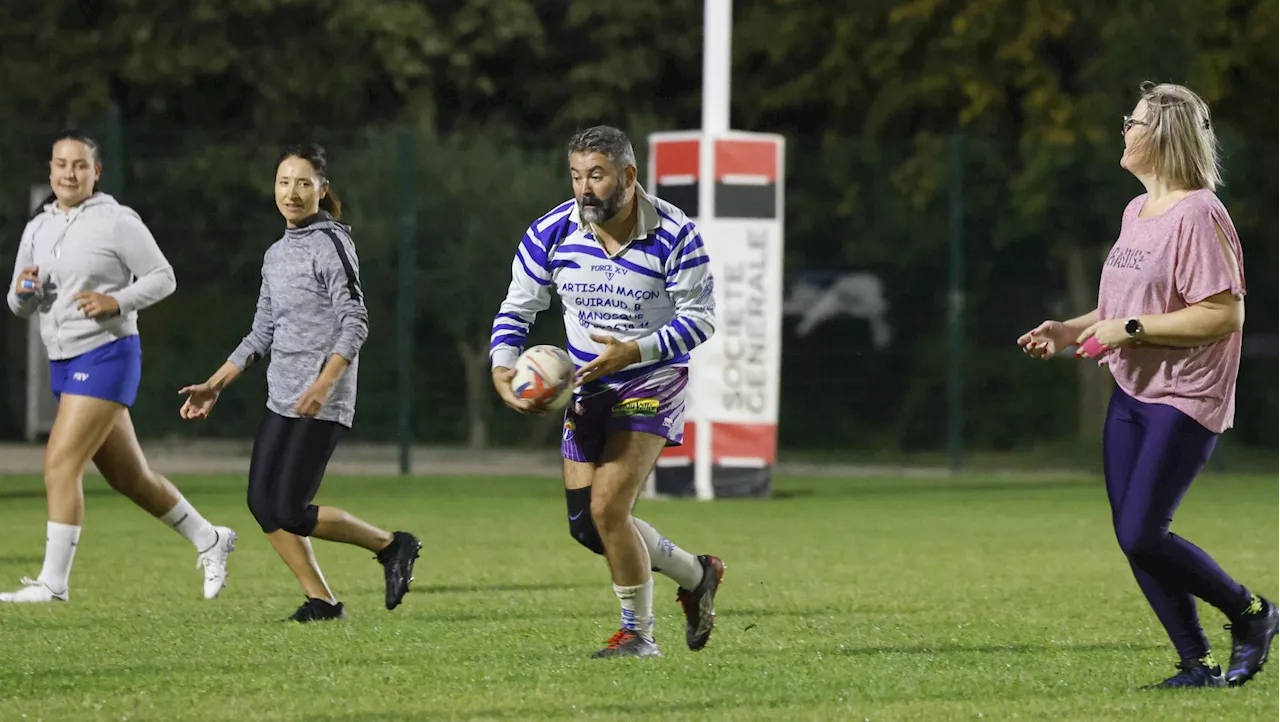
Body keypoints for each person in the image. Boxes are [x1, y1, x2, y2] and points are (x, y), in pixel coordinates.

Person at [1017, 82, 1278, 689]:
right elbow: (1121, 306)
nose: (1124, 131)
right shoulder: (1136, 212)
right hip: (1132, 394)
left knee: (1141, 531)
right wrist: (1068, 329)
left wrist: (1128, 330)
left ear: (1160, 134)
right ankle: (1197, 665)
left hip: (1185, 395)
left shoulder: (1201, 212)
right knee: (1136, 538)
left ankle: (1252, 613)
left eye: (1131, 121)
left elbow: (1222, 314)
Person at [490, 125, 725, 658]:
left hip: (652, 378)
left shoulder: (676, 233)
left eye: (596, 175)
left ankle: (638, 635)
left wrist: (634, 351)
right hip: (587, 386)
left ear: (628, 175)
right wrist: (503, 365)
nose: (584, 188)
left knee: (609, 507)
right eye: (576, 176)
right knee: (589, 527)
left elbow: (702, 319)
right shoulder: (552, 232)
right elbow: (517, 307)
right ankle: (697, 573)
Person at [178, 143, 422, 623]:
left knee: (288, 508)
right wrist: (216, 384)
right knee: (261, 503)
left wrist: (325, 383)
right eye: (284, 182)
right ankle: (323, 603)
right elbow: (262, 331)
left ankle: (392, 545)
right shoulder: (275, 254)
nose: (292, 192)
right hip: (282, 396)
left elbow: (355, 321)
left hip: (322, 400)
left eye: (303, 183)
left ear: (321, 190)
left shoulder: (332, 243)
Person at [3, 130, 236, 604]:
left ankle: (53, 584)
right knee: (130, 478)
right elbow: (17, 302)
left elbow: (163, 277)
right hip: (64, 359)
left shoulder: (116, 221)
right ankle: (210, 537)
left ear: (96, 172)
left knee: (60, 464)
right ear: (50, 169)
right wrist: (23, 296)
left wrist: (116, 300)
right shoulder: (38, 226)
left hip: (108, 353)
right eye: (61, 164)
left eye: (80, 165)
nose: (69, 173)